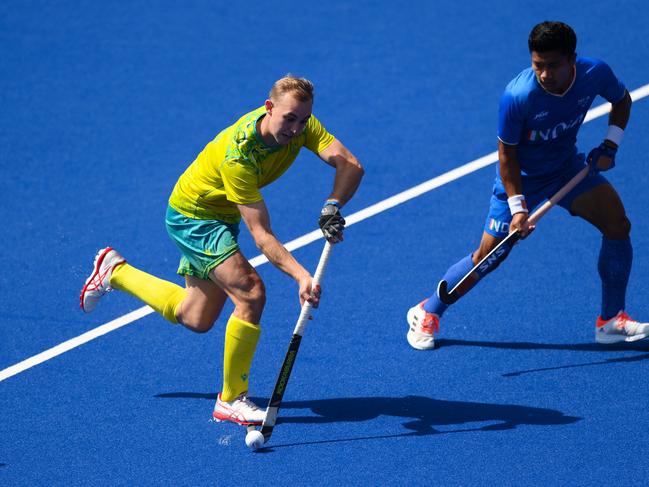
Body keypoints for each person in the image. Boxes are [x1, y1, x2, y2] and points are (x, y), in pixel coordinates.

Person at [80, 75, 364, 424]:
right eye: (289, 118)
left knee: (196, 318)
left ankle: (115, 271)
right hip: (194, 216)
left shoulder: (302, 123)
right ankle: (231, 399)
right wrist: (301, 276)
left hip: (221, 212)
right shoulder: (239, 157)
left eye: (303, 120)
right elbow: (261, 235)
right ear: (269, 108)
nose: (296, 128)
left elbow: (350, 164)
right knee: (251, 292)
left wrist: (332, 206)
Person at [407, 21, 648, 350]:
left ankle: (611, 321)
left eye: (553, 66)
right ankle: (427, 310)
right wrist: (518, 207)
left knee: (617, 224)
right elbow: (506, 157)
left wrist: (610, 145)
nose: (545, 74)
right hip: (520, 179)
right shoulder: (518, 96)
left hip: (566, 168)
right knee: (490, 255)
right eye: (538, 66)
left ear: (572, 59)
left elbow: (622, 101)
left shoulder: (596, 73)